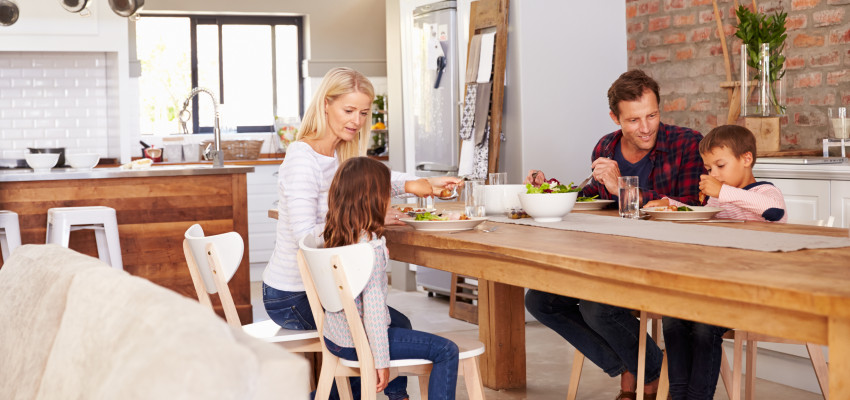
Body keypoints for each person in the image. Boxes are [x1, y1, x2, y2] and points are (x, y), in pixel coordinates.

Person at [263, 67, 460, 399]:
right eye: (348, 110)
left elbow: (369, 178)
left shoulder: (341, 152)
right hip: (293, 296)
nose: (356, 119)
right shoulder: (302, 159)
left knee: (392, 323)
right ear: (326, 104)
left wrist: (418, 185)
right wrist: (365, 220)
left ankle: (376, 394)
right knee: (379, 328)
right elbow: (305, 238)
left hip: (328, 286)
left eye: (364, 112)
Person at [523, 69, 705, 400]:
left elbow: (688, 209)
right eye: (634, 120)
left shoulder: (687, 144)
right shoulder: (605, 146)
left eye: (652, 115)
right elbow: (595, 199)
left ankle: (648, 377)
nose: (646, 127)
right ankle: (634, 367)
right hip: (611, 256)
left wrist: (623, 189)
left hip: (666, 259)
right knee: (540, 299)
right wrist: (550, 189)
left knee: (598, 306)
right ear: (615, 117)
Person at [644, 125, 786, 400]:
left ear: (747, 159)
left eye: (720, 166)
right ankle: (678, 394)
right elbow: (700, 218)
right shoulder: (717, 197)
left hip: (751, 292)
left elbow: (774, 211)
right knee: (673, 318)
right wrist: (668, 204)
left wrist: (722, 190)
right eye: (709, 169)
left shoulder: (767, 193)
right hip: (714, 287)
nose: (713, 175)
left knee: (704, 326)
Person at [321, 156, 460, 400]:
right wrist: (381, 361)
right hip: (358, 341)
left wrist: (421, 183)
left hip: (336, 337)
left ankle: (398, 396)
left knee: (401, 321)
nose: (390, 199)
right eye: (386, 194)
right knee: (446, 350)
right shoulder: (370, 250)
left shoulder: (337, 232)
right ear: (374, 200)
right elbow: (374, 313)